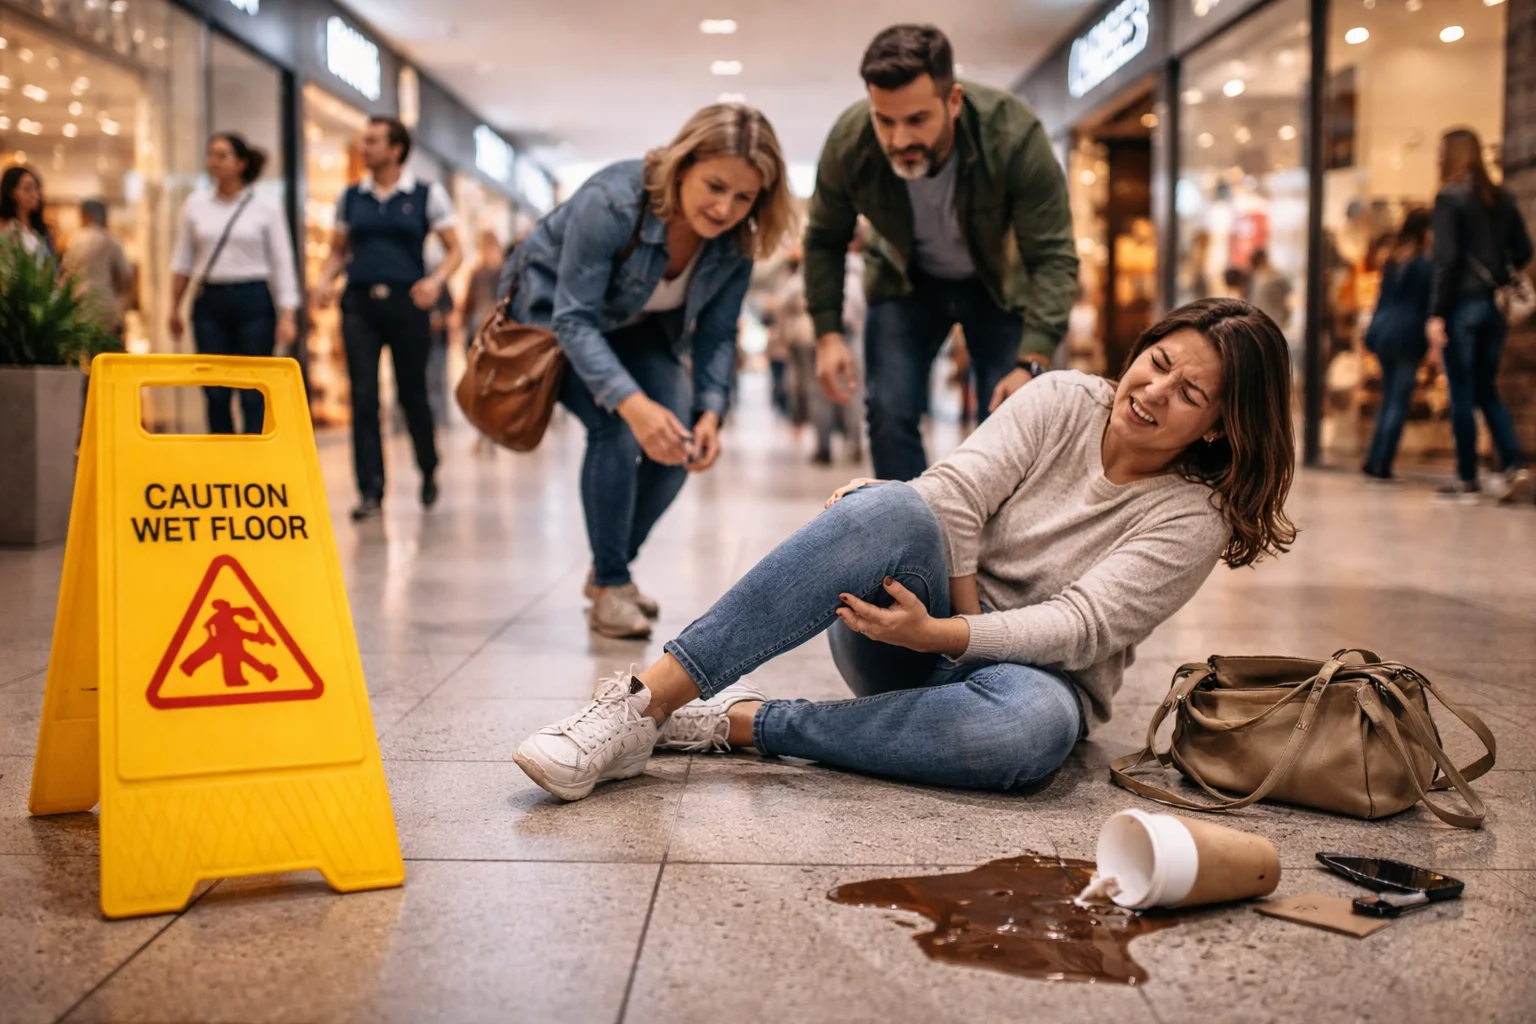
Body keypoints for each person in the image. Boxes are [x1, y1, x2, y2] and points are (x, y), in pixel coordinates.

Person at [514, 298, 1297, 802]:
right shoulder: (1061, 398)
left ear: (1220, 427)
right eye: (1158, 362)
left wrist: (951, 640)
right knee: (892, 504)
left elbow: (1081, 628)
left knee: (1028, 739)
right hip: (906, 627)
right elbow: (953, 495)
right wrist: (945, 623)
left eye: (1189, 394)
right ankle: (641, 706)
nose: (1154, 391)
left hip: (1033, 680)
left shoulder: (1196, 517)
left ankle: (742, 724)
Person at [497, 103, 795, 639]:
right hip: (549, 321)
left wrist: (710, 412)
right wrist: (632, 403)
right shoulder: (611, 201)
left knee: (678, 439)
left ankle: (610, 570)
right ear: (683, 165)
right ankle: (612, 586)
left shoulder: (737, 242)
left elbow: (717, 333)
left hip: (633, 326)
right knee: (616, 425)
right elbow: (574, 317)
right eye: (714, 185)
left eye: (744, 196)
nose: (726, 207)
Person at [804, 24, 1078, 482]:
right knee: (888, 415)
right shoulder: (850, 143)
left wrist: (1033, 358)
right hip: (905, 282)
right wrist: (828, 334)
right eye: (884, 120)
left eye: (916, 120)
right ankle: (912, 539)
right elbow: (824, 239)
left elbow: (1052, 255)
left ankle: (992, 544)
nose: (897, 139)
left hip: (996, 286)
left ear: (953, 101)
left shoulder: (1012, 134)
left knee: (1009, 422)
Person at [313, 117, 463, 521]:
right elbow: (339, 251)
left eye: (374, 141)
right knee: (363, 396)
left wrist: (436, 282)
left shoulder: (426, 195)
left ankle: (428, 468)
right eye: (365, 141)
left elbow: (454, 250)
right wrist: (325, 281)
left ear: (396, 149)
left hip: (408, 304)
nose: (365, 148)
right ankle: (371, 490)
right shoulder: (350, 198)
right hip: (360, 304)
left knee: (411, 393)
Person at [1426, 127, 1534, 505]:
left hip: (1461, 307)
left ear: (1450, 155)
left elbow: (1446, 261)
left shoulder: (1450, 198)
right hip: (1494, 307)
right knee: (1487, 390)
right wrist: (1499, 271)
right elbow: (1524, 250)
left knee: (1461, 392)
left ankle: (1467, 479)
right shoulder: (1501, 197)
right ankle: (1514, 466)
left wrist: (1437, 314)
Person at [169, 134, 300, 435]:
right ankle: (221, 461)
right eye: (211, 155)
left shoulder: (265, 206)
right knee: (214, 389)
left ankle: (251, 461)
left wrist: (288, 314)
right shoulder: (196, 204)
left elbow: (282, 262)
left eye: (222, 155)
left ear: (241, 163)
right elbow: (183, 260)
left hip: (253, 299)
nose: (213, 162)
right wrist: (174, 307)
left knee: (253, 389)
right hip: (209, 301)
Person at [1362, 209, 1433, 482]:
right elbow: (1426, 305)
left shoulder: (1392, 261)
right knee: (1398, 401)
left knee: (1389, 398)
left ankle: (1374, 458)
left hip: (1384, 333)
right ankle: (1383, 462)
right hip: (1407, 335)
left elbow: (1381, 301)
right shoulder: (1423, 265)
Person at [62, 200, 134, 340]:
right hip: (105, 305)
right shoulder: (111, 241)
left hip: (79, 305)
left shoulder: (74, 241)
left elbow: (66, 274)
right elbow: (125, 275)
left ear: (83, 215)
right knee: (106, 352)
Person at [0, 165, 53, 261]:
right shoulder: (6, 228)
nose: (34, 195)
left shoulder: (40, 230)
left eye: (36, 188)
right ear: (11, 192)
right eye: (27, 189)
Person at [1245, 249, 1292, 332]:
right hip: (1266, 322)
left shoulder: (1276, 277)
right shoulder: (1257, 277)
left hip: (1270, 322)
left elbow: (1289, 301)